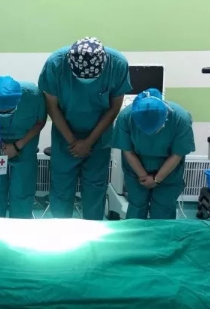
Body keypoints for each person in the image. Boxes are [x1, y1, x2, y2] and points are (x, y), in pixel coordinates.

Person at [38, 37, 132, 220]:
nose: (85, 82)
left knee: (95, 189)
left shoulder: (117, 64)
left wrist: (88, 142)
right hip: (65, 135)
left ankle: (93, 232)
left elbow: (114, 108)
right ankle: (60, 232)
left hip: (98, 136)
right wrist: (73, 141)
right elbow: (51, 107)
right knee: (62, 189)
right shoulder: (55, 64)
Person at [113, 88, 195, 219]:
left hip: (168, 168)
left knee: (163, 209)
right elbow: (128, 151)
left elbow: (177, 154)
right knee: (137, 206)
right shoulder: (126, 117)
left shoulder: (180, 119)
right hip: (136, 166)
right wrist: (143, 176)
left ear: (166, 114)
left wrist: (157, 179)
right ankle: (136, 232)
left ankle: (160, 232)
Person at [0, 76, 46, 218]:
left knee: (22, 189)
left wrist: (18, 146)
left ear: (18, 102)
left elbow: (40, 121)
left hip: (24, 144)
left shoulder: (33, 95)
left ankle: (19, 226)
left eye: (8, 111)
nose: (3, 115)